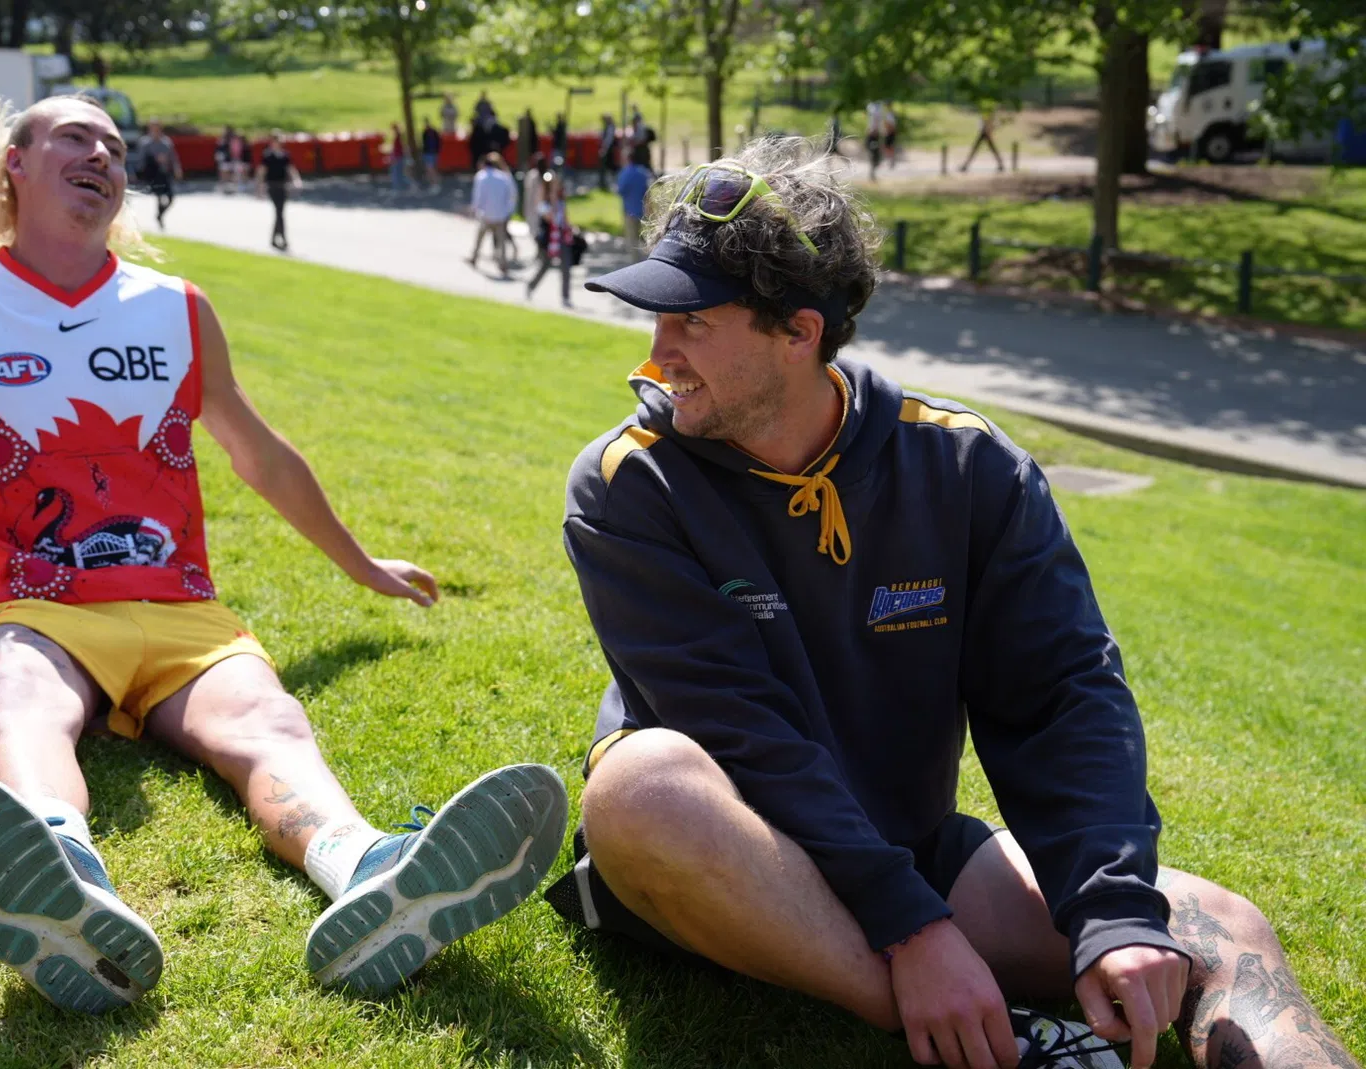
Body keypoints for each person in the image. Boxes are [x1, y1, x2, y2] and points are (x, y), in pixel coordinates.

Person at [545, 135, 1361, 1069]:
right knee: (639, 784)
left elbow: (1062, 693)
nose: (658, 353)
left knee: (1215, 922)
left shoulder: (967, 466)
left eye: (690, 321)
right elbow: (739, 732)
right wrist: (913, 934)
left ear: (798, 330)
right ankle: (993, 1033)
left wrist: (1111, 913)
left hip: (914, 853)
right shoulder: (626, 483)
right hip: (729, 851)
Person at [0, 93, 567, 1013]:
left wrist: (362, 565)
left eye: (115, 146)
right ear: (12, 165)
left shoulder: (178, 310)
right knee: (24, 696)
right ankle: (56, 875)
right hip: (36, 611)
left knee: (268, 720)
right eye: (76, 137)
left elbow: (261, 455)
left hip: (181, 611)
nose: (104, 154)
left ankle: (370, 872)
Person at [525, 172, 574, 308]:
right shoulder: (543, 204)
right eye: (552, 185)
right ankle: (531, 285)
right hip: (549, 240)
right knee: (545, 265)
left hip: (561, 237)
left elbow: (564, 219)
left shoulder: (561, 201)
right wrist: (552, 199)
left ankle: (565, 296)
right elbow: (550, 217)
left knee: (566, 266)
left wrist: (569, 229)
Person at [467, 151, 517, 278]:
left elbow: (478, 196)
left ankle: (474, 257)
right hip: (500, 214)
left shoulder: (481, 176)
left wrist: (474, 209)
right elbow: (511, 195)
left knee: (480, 238)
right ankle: (503, 264)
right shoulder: (504, 177)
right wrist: (507, 210)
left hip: (486, 214)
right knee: (501, 241)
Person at [256, 129, 301, 251]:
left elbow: (290, 169)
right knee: (279, 212)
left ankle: (274, 238)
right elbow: (262, 171)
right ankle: (283, 238)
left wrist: (296, 180)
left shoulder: (285, 155)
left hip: (282, 185)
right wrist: (259, 187)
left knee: (280, 213)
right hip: (272, 185)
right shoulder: (268, 155)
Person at [135, 119, 183, 228]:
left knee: (170, 197)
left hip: (164, 173)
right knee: (159, 195)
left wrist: (177, 169)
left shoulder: (166, 142)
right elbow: (141, 159)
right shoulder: (145, 143)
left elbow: (173, 157)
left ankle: (160, 215)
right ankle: (160, 219)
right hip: (153, 174)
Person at [616, 143, 654, 260]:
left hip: (630, 210)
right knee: (647, 239)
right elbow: (649, 190)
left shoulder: (625, 173)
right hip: (643, 210)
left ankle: (635, 265)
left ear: (627, 158)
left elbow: (620, 190)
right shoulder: (642, 172)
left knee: (632, 241)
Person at [961, 104, 1005, 173]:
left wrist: (988, 131)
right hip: (984, 132)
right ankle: (965, 165)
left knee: (976, 149)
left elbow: (990, 122)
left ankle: (965, 165)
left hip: (985, 132)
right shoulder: (987, 112)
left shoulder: (989, 112)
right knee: (989, 149)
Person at [522, 152, 548, 262]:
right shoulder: (535, 176)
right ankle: (541, 250)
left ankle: (542, 250)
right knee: (538, 230)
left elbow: (528, 194)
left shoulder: (542, 176)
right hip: (541, 208)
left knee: (538, 230)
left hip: (539, 208)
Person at [215, 125, 250, 195]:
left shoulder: (237, 141)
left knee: (239, 169)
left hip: (237, 160)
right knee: (224, 168)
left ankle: (238, 184)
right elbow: (220, 151)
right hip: (227, 160)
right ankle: (224, 184)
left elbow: (238, 152)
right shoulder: (222, 141)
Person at [598, 114, 619, 191]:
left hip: (608, 149)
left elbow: (608, 139)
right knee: (609, 166)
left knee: (609, 166)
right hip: (608, 149)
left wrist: (604, 149)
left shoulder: (610, 127)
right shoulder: (610, 127)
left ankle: (610, 182)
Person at [420, 118, 442, 190]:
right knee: (430, 169)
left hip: (431, 153)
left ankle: (435, 184)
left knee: (431, 169)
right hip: (429, 153)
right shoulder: (426, 132)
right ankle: (434, 183)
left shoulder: (431, 132)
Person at [388, 122, 408, 193]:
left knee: (396, 173)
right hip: (398, 157)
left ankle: (397, 188)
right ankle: (399, 187)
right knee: (398, 173)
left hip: (398, 157)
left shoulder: (399, 137)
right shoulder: (398, 137)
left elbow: (403, 147)